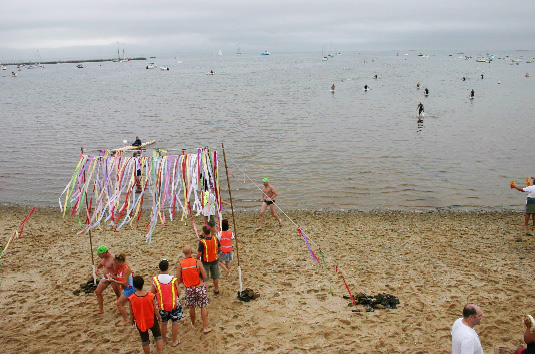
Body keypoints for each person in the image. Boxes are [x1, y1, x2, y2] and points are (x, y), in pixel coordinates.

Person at [177, 245, 212, 334]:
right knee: (203, 306)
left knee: (191, 307)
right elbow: (205, 276)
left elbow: (178, 279)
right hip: (199, 286)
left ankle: (194, 323)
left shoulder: (181, 265)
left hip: (189, 288)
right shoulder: (197, 262)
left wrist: (186, 280)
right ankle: (205, 327)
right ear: (191, 252)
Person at [151, 259, 184, 347]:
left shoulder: (155, 280)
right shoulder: (173, 279)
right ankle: (174, 341)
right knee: (175, 322)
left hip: (162, 305)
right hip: (173, 304)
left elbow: (152, 294)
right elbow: (179, 292)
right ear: (168, 267)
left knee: (164, 323)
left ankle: (164, 341)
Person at [129, 276, 164, 354]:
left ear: (134, 285)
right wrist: (159, 317)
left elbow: (132, 312)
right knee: (157, 336)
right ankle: (160, 352)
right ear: (143, 284)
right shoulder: (150, 296)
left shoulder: (132, 298)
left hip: (140, 321)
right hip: (151, 318)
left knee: (145, 340)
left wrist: (131, 320)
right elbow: (155, 309)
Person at [107, 253, 135, 326]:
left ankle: (126, 320)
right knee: (130, 305)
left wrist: (114, 281)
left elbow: (125, 282)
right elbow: (119, 278)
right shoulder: (120, 268)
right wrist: (111, 276)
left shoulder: (126, 269)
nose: (116, 265)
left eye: (116, 263)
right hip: (127, 288)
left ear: (120, 262)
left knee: (119, 303)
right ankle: (131, 319)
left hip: (130, 289)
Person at [94, 245, 121, 314]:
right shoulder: (103, 258)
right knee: (97, 291)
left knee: (117, 294)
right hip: (106, 278)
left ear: (105, 252)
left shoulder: (113, 259)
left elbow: (116, 272)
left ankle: (120, 307)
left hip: (113, 278)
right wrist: (97, 268)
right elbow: (101, 263)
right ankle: (101, 309)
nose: (99, 255)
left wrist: (111, 277)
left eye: (100, 254)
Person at [197, 225, 221, 295]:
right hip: (214, 260)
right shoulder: (215, 239)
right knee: (215, 276)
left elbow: (199, 254)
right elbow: (220, 249)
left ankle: (206, 294)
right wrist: (216, 253)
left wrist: (196, 259)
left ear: (204, 233)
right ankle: (216, 289)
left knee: (205, 279)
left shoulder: (202, 242)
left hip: (205, 262)